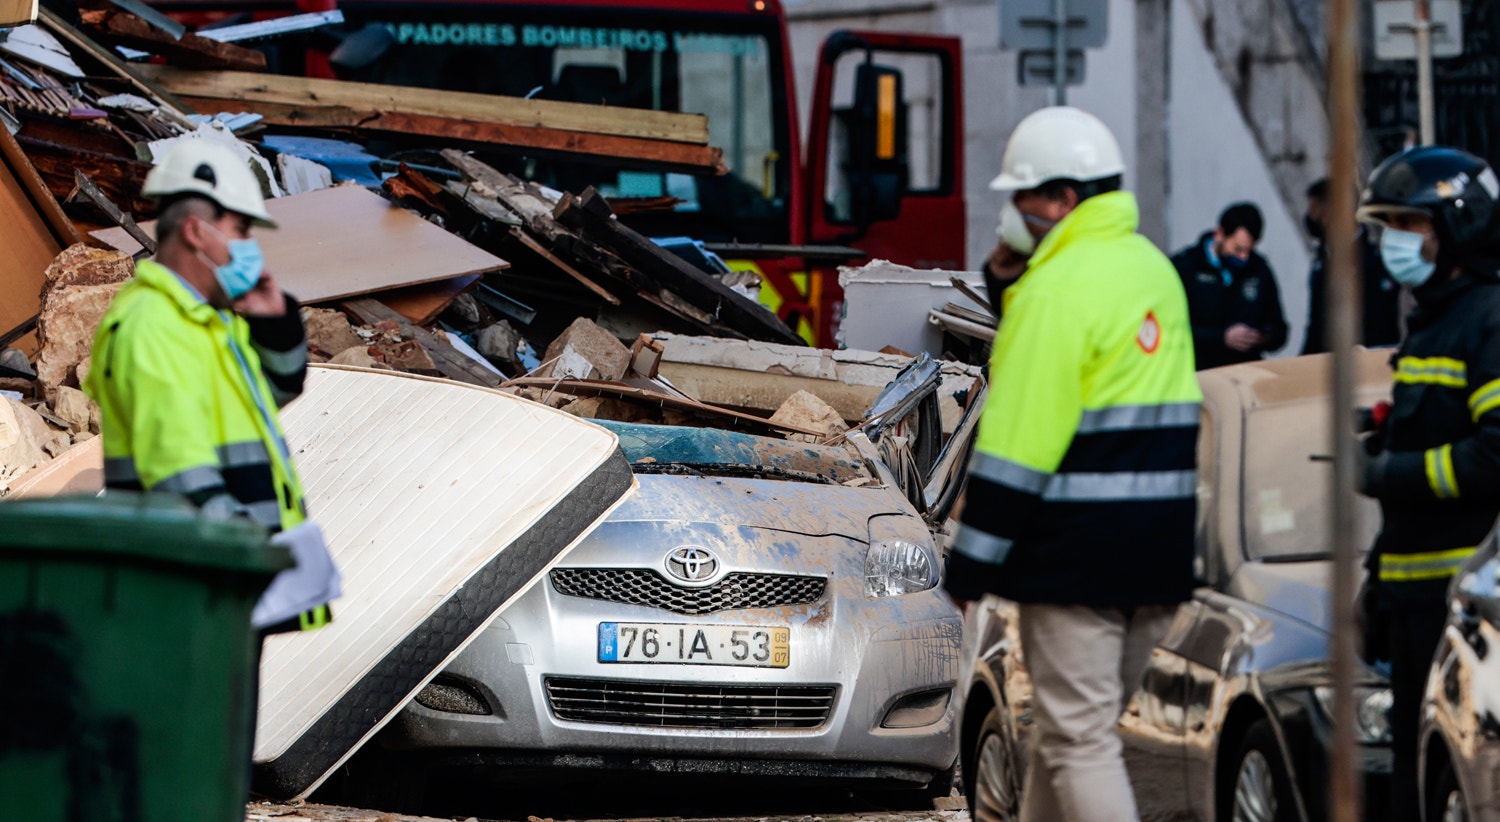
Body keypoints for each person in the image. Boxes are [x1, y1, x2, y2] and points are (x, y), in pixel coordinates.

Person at [947, 106, 1201, 822]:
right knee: (1070, 739)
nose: (1012, 211)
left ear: (1061, 199)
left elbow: (1017, 449)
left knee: (1080, 743)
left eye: (1022, 197)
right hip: (1157, 560)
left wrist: (970, 569)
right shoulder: (1155, 271)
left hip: (1076, 560)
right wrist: (1009, 284)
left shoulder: (1054, 293)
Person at [1355, 145, 1500, 822]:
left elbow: (1493, 454)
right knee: (1412, 783)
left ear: (1458, 226)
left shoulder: (1487, 322)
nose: (1395, 242)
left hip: (1464, 607)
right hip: (1413, 602)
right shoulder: (1431, 324)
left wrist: (1392, 471)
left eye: (1410, 225)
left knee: (1453, 782)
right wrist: (1376, 584)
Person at [1171, 202, 1289, 369]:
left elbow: (1279, 329)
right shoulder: (1186, 267)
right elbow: (1171, 331)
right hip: (1200, 375)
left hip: (1245, 374)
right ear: (1219, 234)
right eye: (1238, 249)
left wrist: (1263, 337)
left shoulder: (1259, 269)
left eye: (1249, 251)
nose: (1243, 257)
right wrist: (1221, 338)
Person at [1301, 177, 1403, 354]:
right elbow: (1316, 327)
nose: (1311, 218)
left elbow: (1380, 328)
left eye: (1314, 210)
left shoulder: (1375, 263)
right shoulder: (1322, 261)